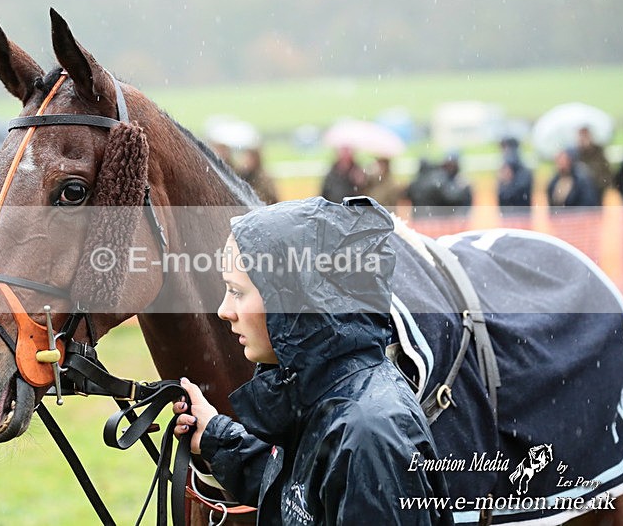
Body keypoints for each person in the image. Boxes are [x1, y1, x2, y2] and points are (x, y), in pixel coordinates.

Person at [173, 197, 453, 525]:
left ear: (293, 301)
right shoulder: (321, 397)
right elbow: (299, 496)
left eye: (237, 292)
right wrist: (215, 437)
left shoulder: (368, 437)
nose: (224, 310)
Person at [406, 153, 472, 218]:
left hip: (420, 219)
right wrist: (463, 188)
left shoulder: (415, 183)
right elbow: (450, 197)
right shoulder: (438, 179)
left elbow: (406, 195)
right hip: (435, 220)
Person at [496, 138, 533, 215]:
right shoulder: (505, 168)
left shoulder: (524, 174)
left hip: (521, 215)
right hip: (509, 215)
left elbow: (517, 195)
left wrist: (507, 183)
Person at [576, 125, 612, 197]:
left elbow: (604, 170)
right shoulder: (575, 152)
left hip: (597, 186)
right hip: (581, 187)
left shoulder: (598, 150)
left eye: (585, 135)